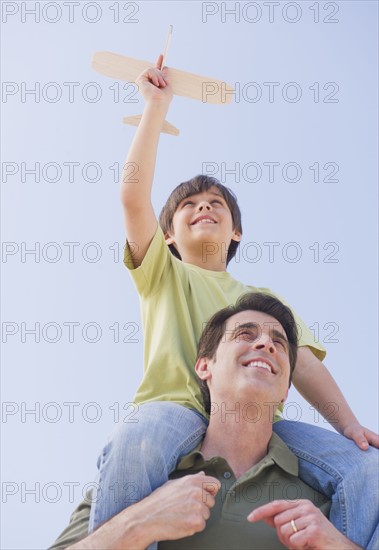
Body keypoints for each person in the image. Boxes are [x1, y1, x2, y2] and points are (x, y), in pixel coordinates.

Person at [52, 56, 379, 548]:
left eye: (216, 205)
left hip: (256, 419)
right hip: (176, 408)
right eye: (188, 206)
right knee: (136, 445)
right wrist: (155, 108)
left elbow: (306, 367)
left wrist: (349, 424)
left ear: (236, 231)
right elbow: (131, 198)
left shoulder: (265, 303)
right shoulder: (163, 273)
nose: (203, 207)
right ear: (166, 236)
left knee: (367, 469)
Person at [50, 293, 363, 549]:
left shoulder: (328, 500)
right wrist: (138, 522)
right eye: (245, 334)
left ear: (286, 392)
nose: (266, 344)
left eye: (278, 343)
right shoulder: (135, 476)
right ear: (204, 366)